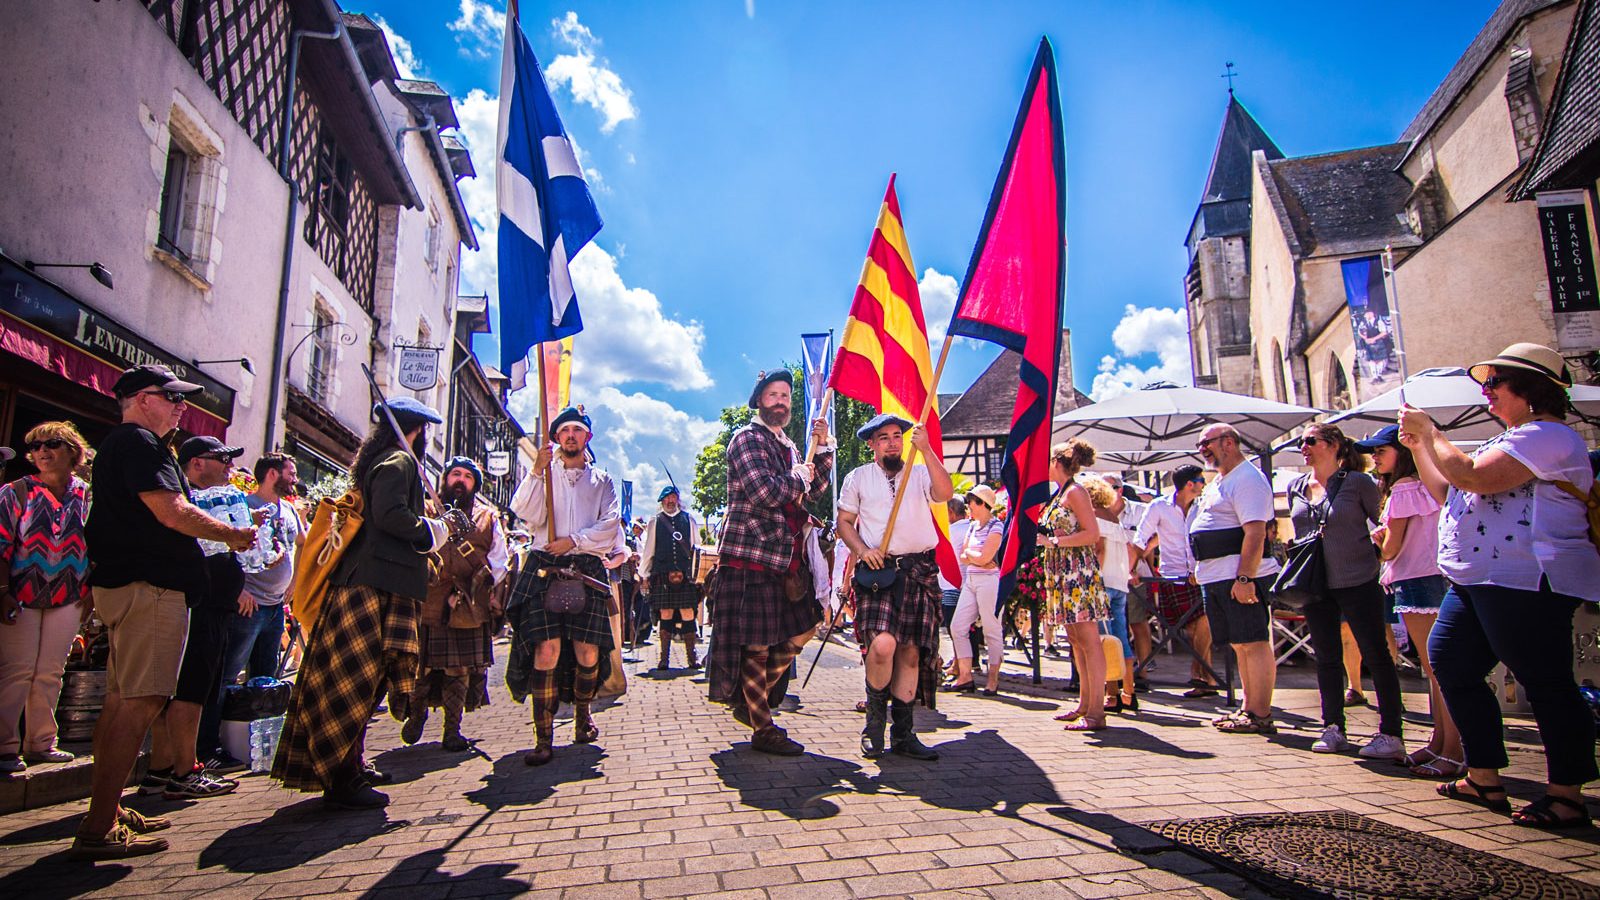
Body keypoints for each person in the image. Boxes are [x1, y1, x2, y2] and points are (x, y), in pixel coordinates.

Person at [1400, 342, 1600, 828]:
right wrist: (1421, 447)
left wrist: (1435, 432)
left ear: (1531, 391)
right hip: (1478, 577)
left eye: (1495, 382)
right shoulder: (1512, 438)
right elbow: (1450, 490)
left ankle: (1566, 795)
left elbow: (1472, 477)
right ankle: (1484, 776)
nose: (1485, 391)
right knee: (1450, 662)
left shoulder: (1549, 437)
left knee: (1547, 683)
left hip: (1527, 577)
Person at [74, 365, 255, 859]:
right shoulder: (138, 443)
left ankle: (105, 811)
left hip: (135, 586)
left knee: (123, 701)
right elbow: (171, 511)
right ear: (139, 399)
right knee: (139, 702)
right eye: (169, 396)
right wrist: (232, 534)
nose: (180, 406)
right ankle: (99, 825)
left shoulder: (132, 445)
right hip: (148, 589)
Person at [271, 398, 446, 809]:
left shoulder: (382, 459)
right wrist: (432, 531)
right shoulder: (399, 462)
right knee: (358, 681)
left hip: (375, 584)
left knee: (367, 681)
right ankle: (342, 777)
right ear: (418, 430)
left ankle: (353, 763)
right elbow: (390, 517)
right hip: (372, 588)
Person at [706, 369, 830, 756]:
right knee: (756, 646)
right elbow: (764, 491)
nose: (781, 401)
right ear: (759, 400)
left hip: (786, 561)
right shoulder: (746, 438)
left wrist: (821, 452)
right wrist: (800, 476)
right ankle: (763, 728)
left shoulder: (792, 446)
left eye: (786, 396)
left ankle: (750, 700)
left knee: (805, 627)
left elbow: (809, 493)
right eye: (774, 395)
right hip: (750, 558)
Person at [506, 407, 621, 766]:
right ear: (556, 438)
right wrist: (537, 472)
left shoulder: (602, 480)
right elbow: (525, 513)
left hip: (584, 567)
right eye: (564, 430)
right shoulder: (543, 474)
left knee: (587, 653)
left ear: (588, 437)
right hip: (545, 567)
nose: (570, 435)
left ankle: (583, 716)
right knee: (546, 653)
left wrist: (573, 540)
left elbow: (610, 526)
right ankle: (543, 738)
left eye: (577, 430)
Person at [837, 413, 954, 760]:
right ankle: (874, 725)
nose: (892, 442)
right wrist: (862, 551)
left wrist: (928, 450)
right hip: (879, 573)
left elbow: (945, 494)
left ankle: (903, 734)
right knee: (883, 644)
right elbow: (844, 522)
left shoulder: (919, 472)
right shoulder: (858, 477)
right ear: (872, 445)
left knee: (911, 652)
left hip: (918, 569)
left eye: (897, 436)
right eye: (884, 437)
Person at [143, 436, 255, 796]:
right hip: (199, 606)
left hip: (214, 607)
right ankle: (184, 771)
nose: (229, 466)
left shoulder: (211, 501)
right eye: (221, 458)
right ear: (195, 464)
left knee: (191, 689)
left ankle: (162, 768)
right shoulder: (187, 503)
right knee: (190, 690)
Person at [1287, 424, 1406, 759]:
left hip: (1357, 578)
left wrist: (1380, 553)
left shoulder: (1357, 483)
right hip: (1314, 583)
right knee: (1326, 656)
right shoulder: (1296, 487)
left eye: (1311, 441)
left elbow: (1385, 521)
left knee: (1375, 653)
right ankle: (1333, 726)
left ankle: (1391, 732)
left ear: (1334, 445)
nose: (1304, 447)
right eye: (1301, 442)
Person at [1359, 424, 1461, 777]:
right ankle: (1439, 743)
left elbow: (1390, 550)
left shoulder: (1403, 488)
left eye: (1380, 451)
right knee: (1437, 670)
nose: (1374, 457)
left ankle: (1453, 750)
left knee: (1438, 671)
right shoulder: (1427, 484)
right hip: (1434, 574)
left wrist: (1378, 538)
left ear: (1401, 453)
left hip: (1416, 578)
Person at [0, 422, 92, 773]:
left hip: (69, 594)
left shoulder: (86, 495)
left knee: (52, 672)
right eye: (36, 445)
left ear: (73, 450)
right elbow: (0, 545)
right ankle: (6, 746)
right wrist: (3, 592)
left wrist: (92, 591)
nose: (42, 451)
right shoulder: (16, 492)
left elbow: (94, 545)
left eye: (52, 443)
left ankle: (41, 743)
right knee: (16, 671)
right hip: (20, 594)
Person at [402, 457, 509, 751]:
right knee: (420, 666)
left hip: (467, 603)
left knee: (458, 670)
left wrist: (480, 587)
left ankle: (452, 730)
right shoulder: (425, 510)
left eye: (468, 477)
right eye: (455, 475)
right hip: (429, 597)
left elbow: (499, 560)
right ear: (445, 479)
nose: (460, 481)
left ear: (475, 484)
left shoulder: (487, 516)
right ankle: (417, 713)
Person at [1189, 424, 1281, 735]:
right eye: (1199, 444)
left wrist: (1245, 577)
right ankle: (1248, 706)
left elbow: (1255, 532)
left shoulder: (1247, 478)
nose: (1202, 449)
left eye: (1207, 442)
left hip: (1236, 576)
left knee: (1253, 642)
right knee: (1240, 645)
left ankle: (1260, 712)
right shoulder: (1220, 481)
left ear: (1229, 442)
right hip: (1216, 577)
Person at [1041, 440, 1111, 732]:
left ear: (1057, 462)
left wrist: (1055, 541)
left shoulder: (1075, 491)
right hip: (1063, 574)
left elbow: (1092, 534)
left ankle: (1097, 710)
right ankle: (1085, 703)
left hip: (1077, 573)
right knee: (1076, 641)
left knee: (1089, 641)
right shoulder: (1061, 493)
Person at [1133, 465, 1218, 696]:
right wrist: (1132, 567)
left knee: (1204, 622)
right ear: (1189, 484)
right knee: (1192, 627)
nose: (1204, 484)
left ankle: (1199, 674)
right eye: (1201, 480)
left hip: (1201, 574)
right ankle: (1205, 677)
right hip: (1174, 575)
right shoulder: (1159, 506)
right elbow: (1141, 538)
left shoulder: (1204, 506)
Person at [947, 485, 1004, 696]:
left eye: (971, 501)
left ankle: (993, 679)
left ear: (982, 504)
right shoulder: (972, 527)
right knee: (957, 626)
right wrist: (976, 556)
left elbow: (984, 558)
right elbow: (967, 556)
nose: (968, 505)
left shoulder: (996, 526)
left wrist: (975, 556)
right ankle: (965, 676)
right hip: (972, 579)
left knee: (991, 629)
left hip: (989, 582)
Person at [1088, 475, 1138, 714]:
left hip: (1103, 583)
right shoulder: (1114, 519)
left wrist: (1094, 581)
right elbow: (1129, 550)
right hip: (1119, 582)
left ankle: (1112, 694)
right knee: (1120, 638)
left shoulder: (1095, 517)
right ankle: (1130, 691)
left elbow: (1098, 549)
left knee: (1105, 640)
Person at [640, 484, 703, 671]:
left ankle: (692, 658)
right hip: (662, 574)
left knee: (688, 613)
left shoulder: (688, 519)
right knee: (665, 613)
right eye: (666, 498)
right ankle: (664, 659)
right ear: (662, 501)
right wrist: (644, 574)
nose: (670, 501)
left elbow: (696, 547)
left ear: (678, 499)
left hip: (685, 575)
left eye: (673, 497)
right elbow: (648, 549)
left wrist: (698, 574)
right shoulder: (655, 521)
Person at [939, 497, 970, 683]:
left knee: (954, 628)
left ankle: (958, 664)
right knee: (962, 628)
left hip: (950, 585)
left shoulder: (951, 531)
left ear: (950, 512)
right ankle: (959, 662)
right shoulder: (970, 527)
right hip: (966, 584)